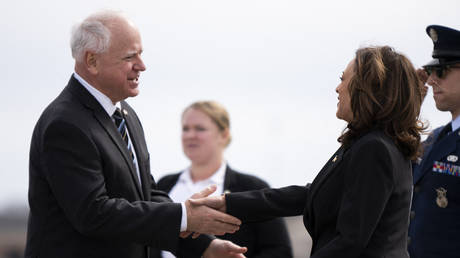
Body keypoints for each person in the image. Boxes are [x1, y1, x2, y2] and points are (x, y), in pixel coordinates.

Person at [25, 10, 247, 258]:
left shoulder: (124, 113)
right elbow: (94, 214)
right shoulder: (65, 125)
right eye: (130, 57)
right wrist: (184, 216)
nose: (142, 66)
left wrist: (205, 246)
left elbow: (146, 195)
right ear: (92, 61)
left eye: (140, 54)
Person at [193, 46, 425, 257]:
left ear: (367, 88)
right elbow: (311, 194)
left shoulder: (374, 148)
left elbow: (350, 242)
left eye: (343, 79)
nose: (337, 88)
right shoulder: (369, 144)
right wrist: (229, 203)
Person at [150, 101, 293, 258]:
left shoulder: (252, 187)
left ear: (224, 135)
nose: (190, 135)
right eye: (186, 129)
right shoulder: (164, 185)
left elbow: (280, 251)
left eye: (200, 128)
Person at [408, 25, 460, 258]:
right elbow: (395, 173)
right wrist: (410, 108)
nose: (430, 81)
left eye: (442, 71)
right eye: (430, 71)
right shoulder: (434, 138)